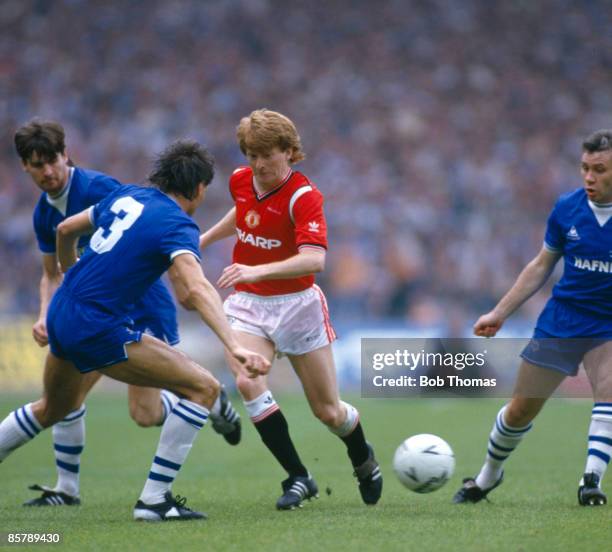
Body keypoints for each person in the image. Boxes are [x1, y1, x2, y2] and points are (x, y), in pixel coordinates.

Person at [0, 139, 269, 521]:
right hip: (99, 327)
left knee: (53, 408)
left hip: (63, 313)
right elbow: (194, 287)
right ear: (197, 189)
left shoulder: (126, 196)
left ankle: (79, 489)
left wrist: (69, 270)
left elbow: (65, 229)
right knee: (205, 387)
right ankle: (154, 501)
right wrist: (234, 345)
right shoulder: (178, 224)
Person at [199, 109, 382, 510]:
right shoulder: (240, 180)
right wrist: (205, 238)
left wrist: (255, 266)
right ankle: (299, 476)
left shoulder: (305, 196)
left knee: (329, 412)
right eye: (251, 154)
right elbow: (244, 213)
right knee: (248, 382)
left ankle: (362, 457)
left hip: (298, 306)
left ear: (289, 150)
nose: (259, 164)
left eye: (267, 154)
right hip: (248, 303)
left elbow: (314, 260)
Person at [453, 130, 612, 506]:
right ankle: (488, 476)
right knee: (521, 408)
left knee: (608, 392)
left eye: (599, 169)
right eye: (585, 168)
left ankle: (591, 480)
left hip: (608, 323)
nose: (589, 177)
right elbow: (541, 265)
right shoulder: (567, 209)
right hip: (563, 319)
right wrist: (499, 312)